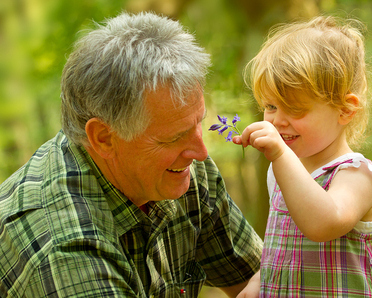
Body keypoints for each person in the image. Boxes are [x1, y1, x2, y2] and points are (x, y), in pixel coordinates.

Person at [0, 11, 263, 298]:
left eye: (197, 123)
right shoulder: (65, 247)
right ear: (104, 139)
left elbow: (269, 279)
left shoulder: (182, 169)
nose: (200, 153)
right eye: (173, 137)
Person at [233, 16, 372, 297]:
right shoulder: (281, 172)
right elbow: (285, 247)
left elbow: (323, 224)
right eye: (271, 106)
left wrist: (280, 155)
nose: (277, 120)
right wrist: (258, 281)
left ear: (345, 110)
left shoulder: (357, 175)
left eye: (295, 109)